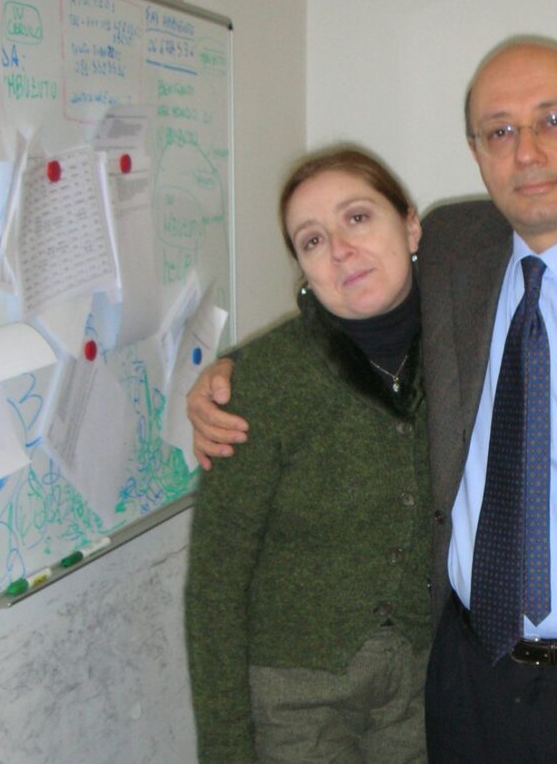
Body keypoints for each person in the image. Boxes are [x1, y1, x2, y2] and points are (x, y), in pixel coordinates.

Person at [190, 37, 557, 764]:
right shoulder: (454, 246)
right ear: (476, 152)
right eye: (499, 131)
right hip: (458, 681)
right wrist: (230, 374)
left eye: (554, 120)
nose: (526, 152)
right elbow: (355, 302)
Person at [184, 148, 433, 763]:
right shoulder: (262, 385)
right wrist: (225, 750)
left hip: (423, 687)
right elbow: (215, 585)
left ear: (410, 225)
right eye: (313, 240)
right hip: (294, 704)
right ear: (303, 267)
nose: (340, 250)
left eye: (357, 218)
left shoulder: (463, 345)